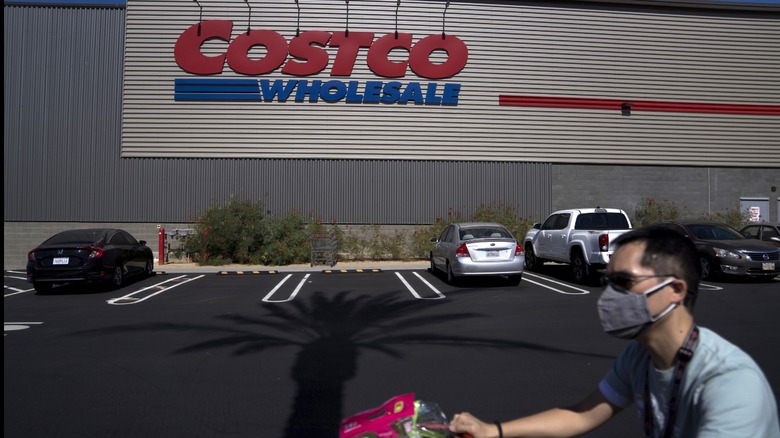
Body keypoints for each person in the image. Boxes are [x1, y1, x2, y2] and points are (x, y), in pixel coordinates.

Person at [449, 225, 780, 438]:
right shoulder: (640, 356)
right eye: (608, 282)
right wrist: (493, 431)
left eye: (623, 282)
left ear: (676, 289)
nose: (608, 296)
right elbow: (581, 415)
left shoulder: (730, 383)